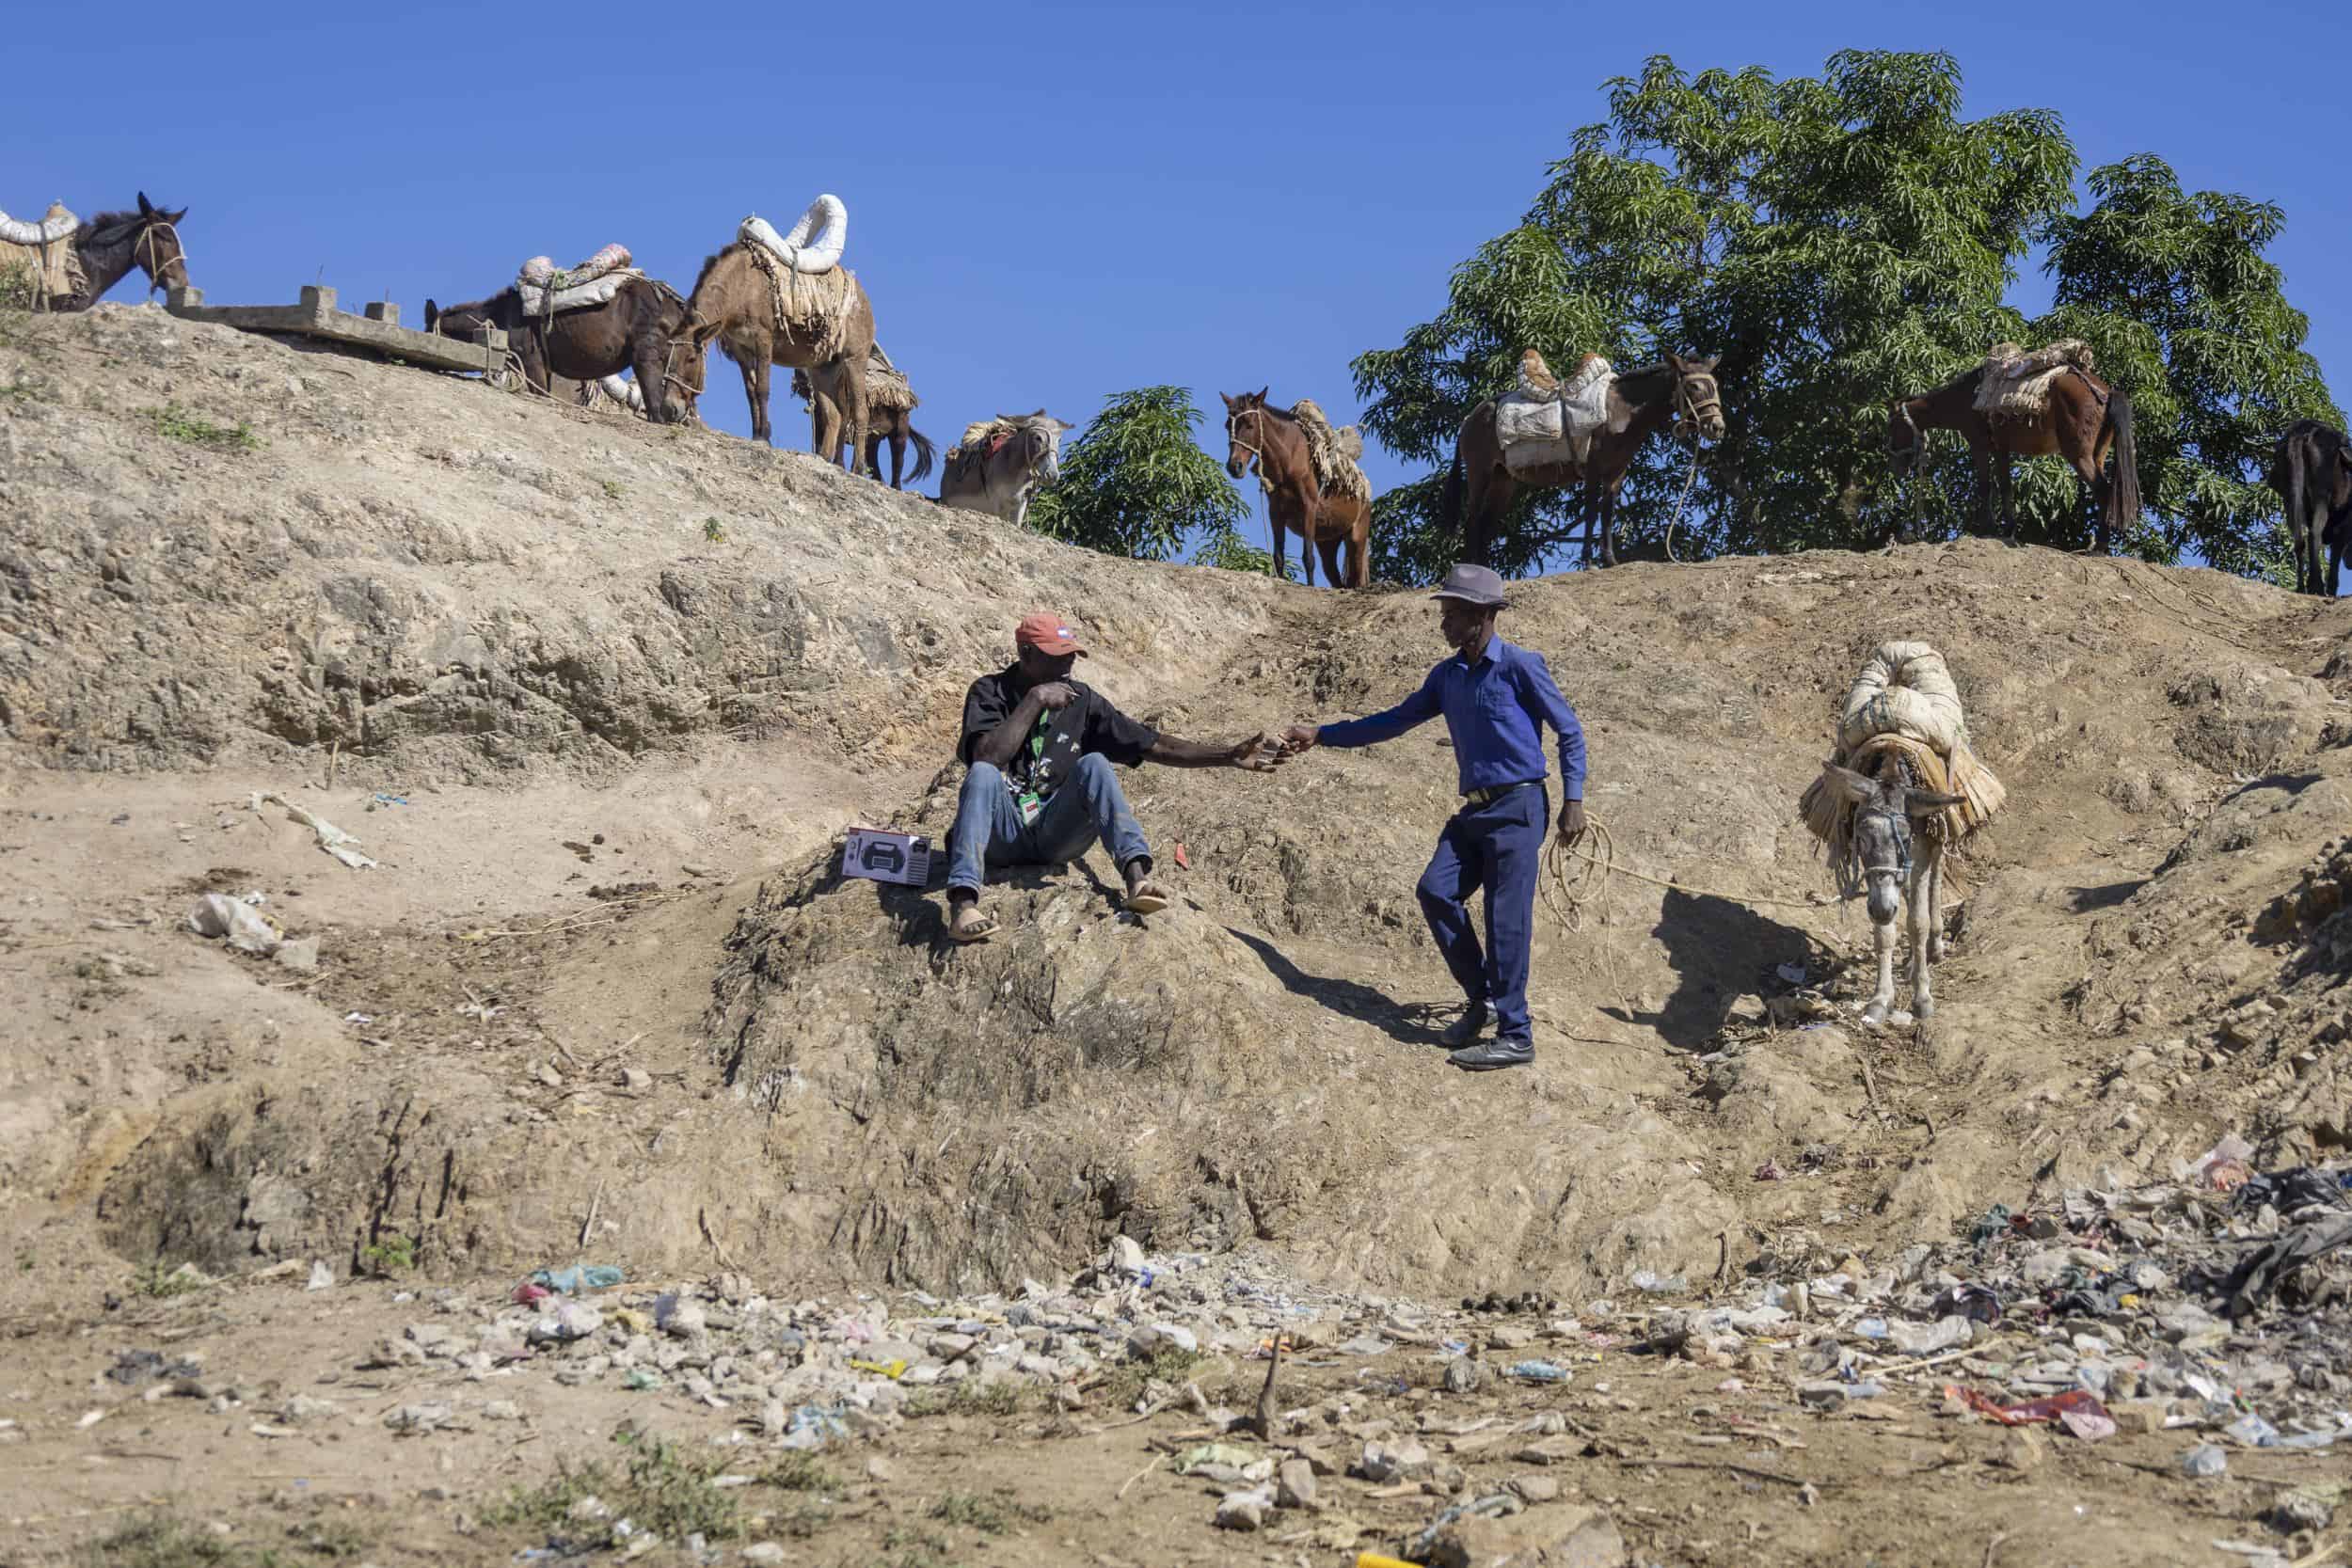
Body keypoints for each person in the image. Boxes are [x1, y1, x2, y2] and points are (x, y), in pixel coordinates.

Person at [1281, 564, 1586, 1071]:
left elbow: (1570, 731)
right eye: (1444, 612)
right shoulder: (1446, 677)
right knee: (1435, 890)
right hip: (1475, 810)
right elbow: (1395, 720)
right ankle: (1483, 999)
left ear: (1484, 615)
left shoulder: (1521, 665)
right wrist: (1323, 734)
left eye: (1453, 613)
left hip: (1519, 806)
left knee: (1504, 919)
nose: (1443, 622)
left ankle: (1516, 1033)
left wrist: (1573, 800)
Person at [947, 611, 1282, 942]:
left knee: (1094, 763)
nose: (1067, 666)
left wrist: (1226, 755)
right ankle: (964, 904)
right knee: (982, 775)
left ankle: (1136, 878)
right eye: (1056, 657)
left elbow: (1153, 744)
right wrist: (1035, 700)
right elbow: (988, 755)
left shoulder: (1082, 700)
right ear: (1025, 653)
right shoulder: (989, 691)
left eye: (1071, 656)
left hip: (1053, 835)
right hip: (1003, 835)